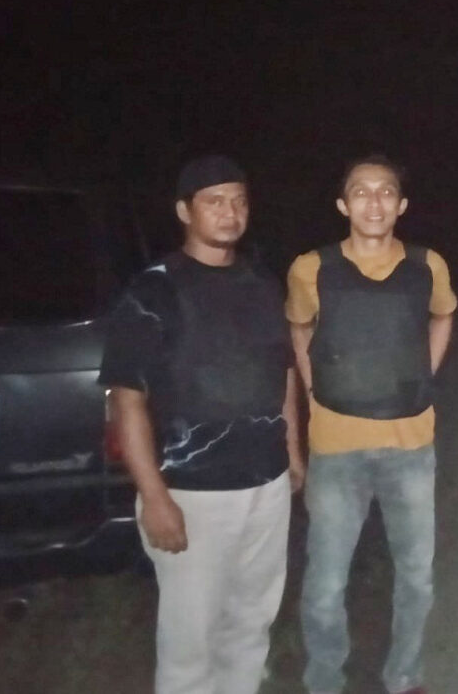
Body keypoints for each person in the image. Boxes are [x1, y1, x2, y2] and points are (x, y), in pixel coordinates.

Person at [100, 155, 303, 694]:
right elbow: (126, 401)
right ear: (184, 211)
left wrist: (293, 453)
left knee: (251, 625)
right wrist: (154, 496)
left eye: (239, 201)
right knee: (191, 642)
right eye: (215, 201)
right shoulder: (153, 292)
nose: (230, 212)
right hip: (193, 495)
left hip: (266, 485)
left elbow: (282, 371)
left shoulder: (262, 283)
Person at [287, 154, 456, 694]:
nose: (374, 202)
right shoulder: (310, 268)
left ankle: (404, 676)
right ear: (343, 204)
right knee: (324, 583)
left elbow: (444, 314)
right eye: (361, 191)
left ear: (402, 205)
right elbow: (299, 329)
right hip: (337, 449)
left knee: (417, 578)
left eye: (386, 191)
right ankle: (324, 680)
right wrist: (316, 390)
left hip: (411, 445)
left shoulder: (428, 264)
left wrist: (424, 370)